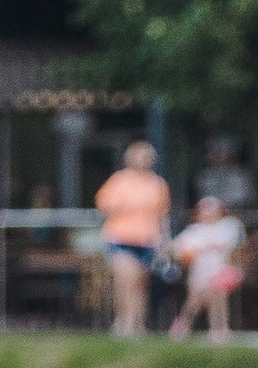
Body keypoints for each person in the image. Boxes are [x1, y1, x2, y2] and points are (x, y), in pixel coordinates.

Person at [95, 139, 170, 337]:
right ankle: (123, 321)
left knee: (139, 283)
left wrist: (165, 241)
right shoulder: (120, 180)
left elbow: (163, 215)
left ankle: (138, 323)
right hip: (121, 237)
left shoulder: (157, 184)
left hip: (147, 239)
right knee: (125, 278)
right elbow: (105, 206)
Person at [173, 194, 246, 338]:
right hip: (199, 272)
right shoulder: (193, 231)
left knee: (219, 299)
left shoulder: (227, 227)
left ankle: (219, 327)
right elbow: (180, 251)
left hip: (219, 271)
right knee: (194, 300)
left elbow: (235, 246)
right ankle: (183, 324)